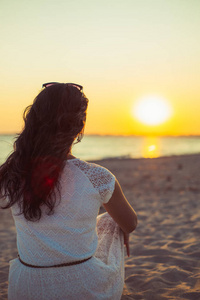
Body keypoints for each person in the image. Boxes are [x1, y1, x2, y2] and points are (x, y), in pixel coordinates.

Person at [0, 82, 137, 300]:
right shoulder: (97, 177)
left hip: (27, 287)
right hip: (84, 286)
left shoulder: (10, 174)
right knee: (113, 222)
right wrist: (120, 228)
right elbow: (130, 223)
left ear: (33, 121)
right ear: (79, 126)